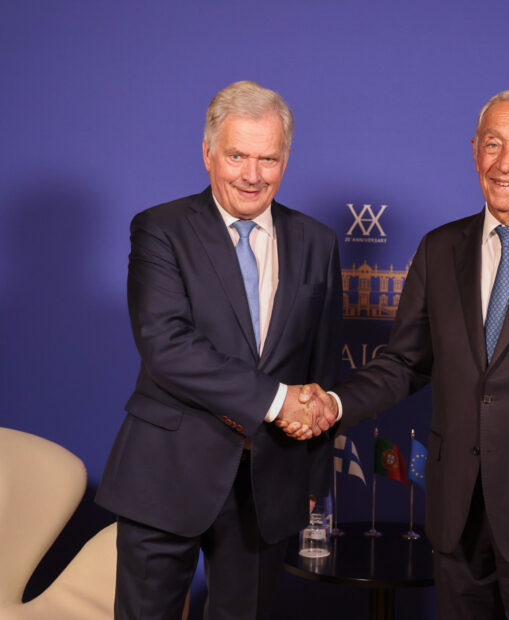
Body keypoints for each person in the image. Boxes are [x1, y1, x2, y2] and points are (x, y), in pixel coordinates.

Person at [281, 89, 509, 620]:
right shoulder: (438, 249)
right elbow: (404, 363)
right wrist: (333, 403)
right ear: (474, 151)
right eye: (493, 144)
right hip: (456, 515)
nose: (505, 164)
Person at [96, 80, 341, 620]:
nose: (252, 175)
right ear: (208, 153)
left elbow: (320, 370)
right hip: (166, 474)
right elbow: (167, 347)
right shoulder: (160, 230)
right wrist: (278, 400)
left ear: (286, 159)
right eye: (237, 156)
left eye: (268, 158)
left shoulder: (317, 242)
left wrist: (312, 479)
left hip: (268, 483)